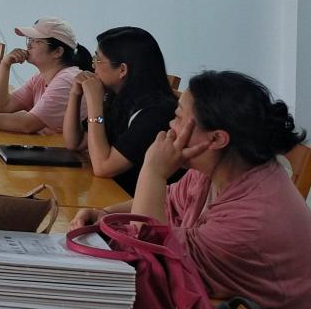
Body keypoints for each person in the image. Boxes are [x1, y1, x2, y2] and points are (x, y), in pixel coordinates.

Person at [71, 71, 311, 308]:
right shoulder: (217, 169)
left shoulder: (253, 217)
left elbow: (151, 264)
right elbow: (167, 201)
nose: (170, 126)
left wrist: (153, 171)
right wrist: (107, 214)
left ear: (216, 139)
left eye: (178, 117)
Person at [62, 26, 179, 195]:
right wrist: (75, 94)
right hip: (111, 193)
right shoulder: (119, 97)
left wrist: (95, 103)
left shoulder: (156, 112)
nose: (93, 67)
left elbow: (103, 167)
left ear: (122, 69)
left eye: (98, 60)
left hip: (135, 201)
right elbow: (75, 142)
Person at [0, 16, 92, 134]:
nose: (29, 46)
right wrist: (5, 65)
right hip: (49, 147)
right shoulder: (40, 78)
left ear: (57, 52)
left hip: (65, 153)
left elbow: (27, 124)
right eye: (29, 39)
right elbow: (1, 108)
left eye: (36, 41)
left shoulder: (67, 79)